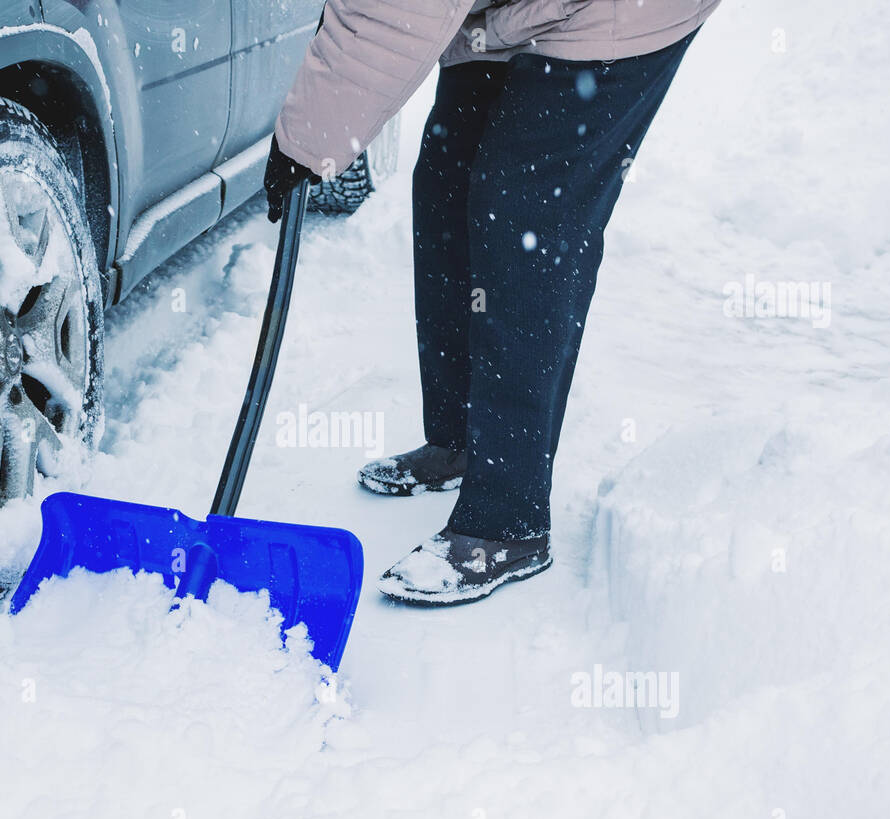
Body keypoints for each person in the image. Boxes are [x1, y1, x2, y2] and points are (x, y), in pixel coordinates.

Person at [264, 0, 719, 605]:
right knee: (447, 183)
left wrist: (305, 141)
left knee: (525, 216)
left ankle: (508, 518)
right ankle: (458, 440)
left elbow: (386, 12)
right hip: (514, 11)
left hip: (617, 12)